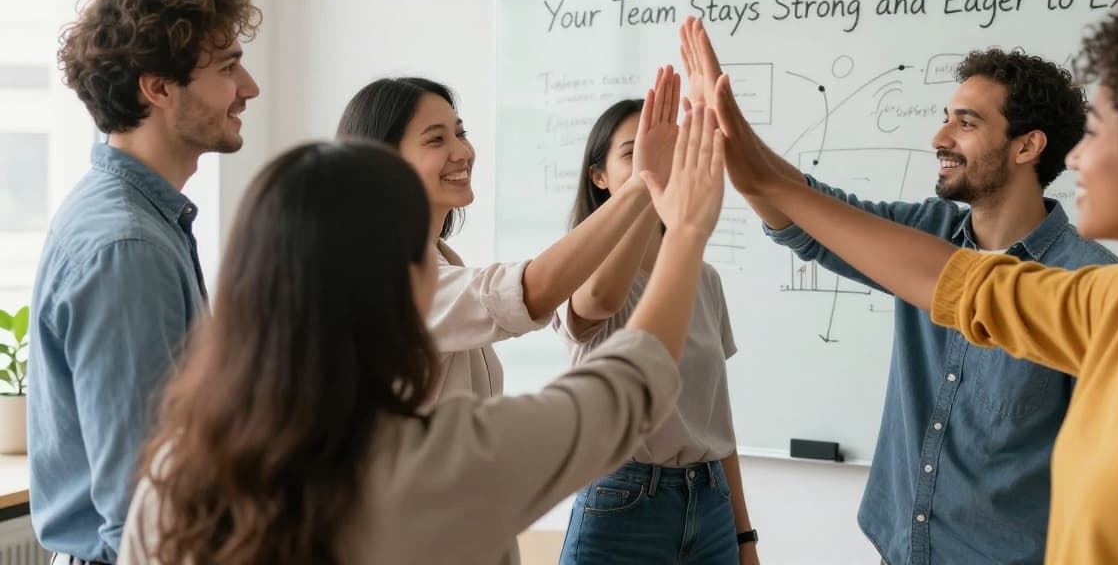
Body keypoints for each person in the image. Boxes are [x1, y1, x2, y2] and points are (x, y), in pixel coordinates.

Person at [709, 0, 1118, 563]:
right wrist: (762, 177)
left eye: (1098, 132)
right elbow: (953, 281)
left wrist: (768, 181)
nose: (1074, 157)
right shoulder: (1115, 305)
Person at [119, 101, 729, 564]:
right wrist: (684, 229)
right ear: (409, 284)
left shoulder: (176, 472)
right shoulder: (439, 460)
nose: (461, 149)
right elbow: (625, 388)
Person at [679, 17, 1117, 564]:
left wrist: (742, 148)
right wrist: (729, 131)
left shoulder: (1090, 285)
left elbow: (1107, 474)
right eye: (944, 119)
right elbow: (808, 216)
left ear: (1028, 145)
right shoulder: (924, 232)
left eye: (966, 122)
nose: (940, 138)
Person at [29, 0, 261, 564]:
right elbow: (143, 509)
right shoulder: (127, 248)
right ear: (158, 88)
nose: (250, 87)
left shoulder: (141, 220)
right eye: (228, 67)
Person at [336, 67, 680, 399]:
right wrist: (640, 184)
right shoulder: (386, 274)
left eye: (460, 133)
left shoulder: (435, 259)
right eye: (436, 139)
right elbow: (529, 292)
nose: (462, 152)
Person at [555, 97, 757, 564]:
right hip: (622, 498)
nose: (657, 164)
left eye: (669, 152)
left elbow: (717, 421)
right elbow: (599, 302)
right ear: (599, 177)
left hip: (710, 500)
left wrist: (745, 537)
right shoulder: (577, 267)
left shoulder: (704, 278)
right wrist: (650, 187)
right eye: (635, 153)